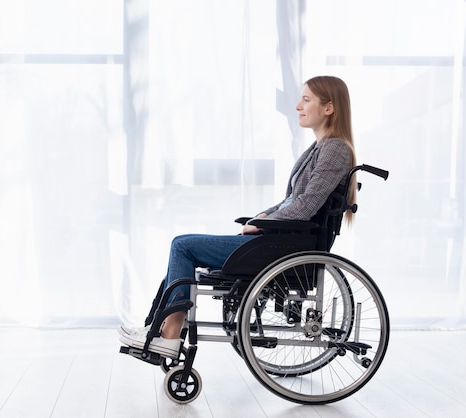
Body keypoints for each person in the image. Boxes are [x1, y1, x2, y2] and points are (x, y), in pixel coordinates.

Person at [119, 75, 358, 358]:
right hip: (279, 241)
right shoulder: (322, 148)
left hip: (282, 248)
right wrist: (266, 214)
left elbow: (306, 207)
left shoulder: (335, 149)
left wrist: (263, 223)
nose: (298, 106)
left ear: (329, 107)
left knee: (182, 246)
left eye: (306, 100)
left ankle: (169, 335)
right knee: (182, 245)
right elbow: (295, 199)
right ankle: (160, 330)